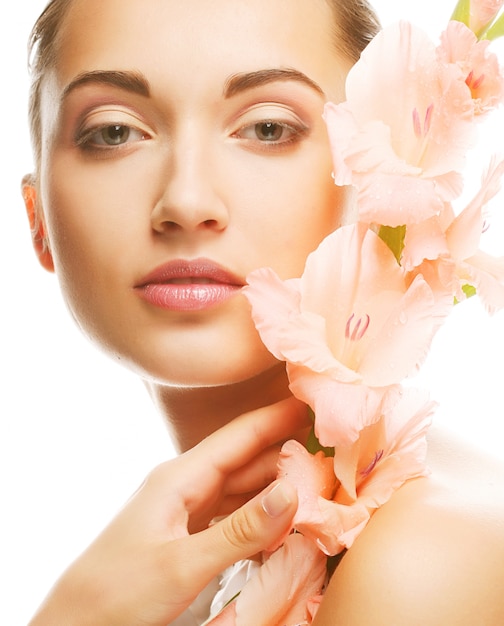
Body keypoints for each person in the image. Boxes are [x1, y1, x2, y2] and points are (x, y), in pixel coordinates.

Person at [21, 0, 504, 624]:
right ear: (38, 224)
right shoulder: (163, 579)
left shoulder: (419, 564)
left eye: (268, 127)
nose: (187, 201)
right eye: (114, 131)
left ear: (378, 189)